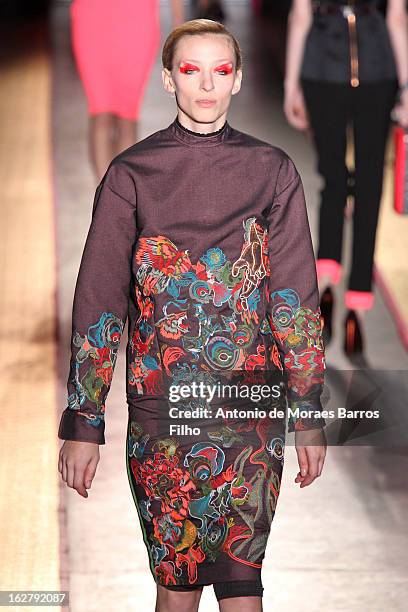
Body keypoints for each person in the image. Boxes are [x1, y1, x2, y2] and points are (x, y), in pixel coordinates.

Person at [58, 18, 327, 611]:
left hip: (249, 410)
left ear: (238, 80)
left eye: (220, 71)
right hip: (163, 412)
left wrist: (308, 412)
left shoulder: (273, 171)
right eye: (190, 70)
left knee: (242, 585)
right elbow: (100, 300)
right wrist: (84, 422)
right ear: (167, 80)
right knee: (176, 586)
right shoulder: (131, 175)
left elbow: (294, 301)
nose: (206, 85)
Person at [284, 0, 408, 356]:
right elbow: (397, 18)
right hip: (376, 67)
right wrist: (405, 85)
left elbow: (301, 16)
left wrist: (291, 84)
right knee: (370, 186)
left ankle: (325, 281)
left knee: (333, 179)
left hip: (322, 66)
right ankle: (357, 304)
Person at [70, 0, 184, 183]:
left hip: (136, 19)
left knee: (127, 115)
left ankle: (119, 198)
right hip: (92, 17)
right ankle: (106, 201)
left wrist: (179, 25)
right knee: (100, 111)